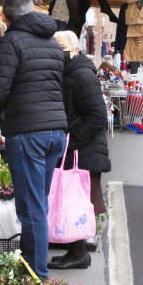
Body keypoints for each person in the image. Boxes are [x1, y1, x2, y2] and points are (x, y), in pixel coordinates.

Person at [0, 0, 68, 280]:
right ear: (32, 13)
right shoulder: (52, 42)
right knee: (37, 206)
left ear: (4, 17)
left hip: (29, 134)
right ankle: (33, 265)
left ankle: (35, 274)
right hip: (55, 132)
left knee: (31, 209)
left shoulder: (9, 44)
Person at [50, 31, 111, 269]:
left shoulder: (82, 75)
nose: (59, 52)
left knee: (75, 202)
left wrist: (71, 141)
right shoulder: (71, 71)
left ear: (75, 49)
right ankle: (78, 250)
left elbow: (97, 115)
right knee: (76, 201)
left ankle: (79, 253)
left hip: (83, 150)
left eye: (63, 47)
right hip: (81, 149)